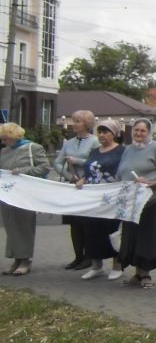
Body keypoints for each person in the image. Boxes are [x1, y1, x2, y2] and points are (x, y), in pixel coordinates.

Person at [115, 118, 156, 288]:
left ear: (148, 132)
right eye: (136, 130)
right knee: (133, 238)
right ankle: (137, 274)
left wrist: (152, 182)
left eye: (142, 131)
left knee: (147, 238)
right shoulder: (128, 150)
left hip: (151, 202)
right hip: (131, 203)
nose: (138, 134)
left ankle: (146, 274)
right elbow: (121, 171)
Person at [76, 119, 126, 280]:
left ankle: (117, 265)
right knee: (91, 231)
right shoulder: (95, 151)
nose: (102, 135)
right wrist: (83, 179)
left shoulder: (122, 151)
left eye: (106, 132)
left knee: (112, 231)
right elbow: (89, 169)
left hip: (112, 198)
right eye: (100, 132)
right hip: (93, 199)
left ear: (114, 134)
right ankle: (96, 266)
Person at [0, 123, 50, 276]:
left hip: (25, 195)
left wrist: (22, 171)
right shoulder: (4, 150)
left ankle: (26, 260)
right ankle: (16, 259)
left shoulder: (33, 148)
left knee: (24, 226)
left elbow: (45, 167)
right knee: (11, 227)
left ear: (14, 136)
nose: (3, 141)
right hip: (8, 195)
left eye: (5, 138)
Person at [53, 110, 99, 270]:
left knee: (86, 223)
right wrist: (68, 175)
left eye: (78, 121)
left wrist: (77, 161)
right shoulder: (68, 143)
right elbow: (57, 163)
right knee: (73, 223)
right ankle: (78, 256)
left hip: (87, 186)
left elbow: (96, 163)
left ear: (87, 124)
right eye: (74, 120)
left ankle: (89, 256)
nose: (75, 124)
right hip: (72, 185)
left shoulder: (94, 142)